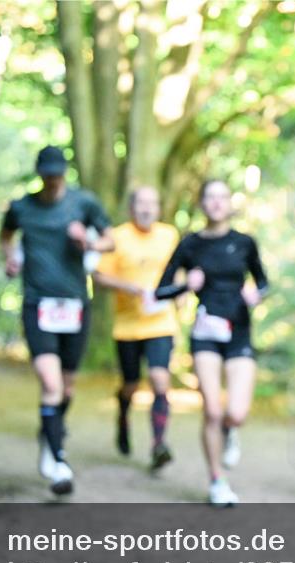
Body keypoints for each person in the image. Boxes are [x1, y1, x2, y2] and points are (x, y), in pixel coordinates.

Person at [0, 145, 115, 495]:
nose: (52, 181)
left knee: (66, 388)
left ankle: (49, 433)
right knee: (50, 384)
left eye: (57, 174)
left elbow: (111, 240)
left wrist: (90, 243)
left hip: (76, 305)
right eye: (47, 175)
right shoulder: (22, 208)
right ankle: (59, 460)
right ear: (39, 175)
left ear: (65, 173)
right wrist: (11, 259)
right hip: (38, 304)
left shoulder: (84, 204)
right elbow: (5, 237)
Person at [154, 179, 268, 507]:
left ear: (230, 204)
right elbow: (161, 289)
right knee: (213, 410)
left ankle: (231, 432)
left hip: (239, 333)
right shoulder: (190, 244)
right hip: (205, 334)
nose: (217, 203)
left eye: (222, 197)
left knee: (236, 412)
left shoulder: (245, 242)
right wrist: (185, 286)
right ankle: (217, 480)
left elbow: (263, 282)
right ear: (202, 204)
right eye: (210, 197)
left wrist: (255, 293)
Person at [93, 186, 181, 471]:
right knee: (131, 385)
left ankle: (159, 445)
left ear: (158, 208)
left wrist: (178, 293)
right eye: (141, 204)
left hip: (161, 322)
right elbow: (98, 277)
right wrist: (128, 288)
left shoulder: (169, 235)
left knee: (159, 380)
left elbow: (179, 271)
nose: (146, 209)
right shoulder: (117, 237)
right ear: (131, 208)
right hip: (127, 325)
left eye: (152, 203)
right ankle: (123, 414)